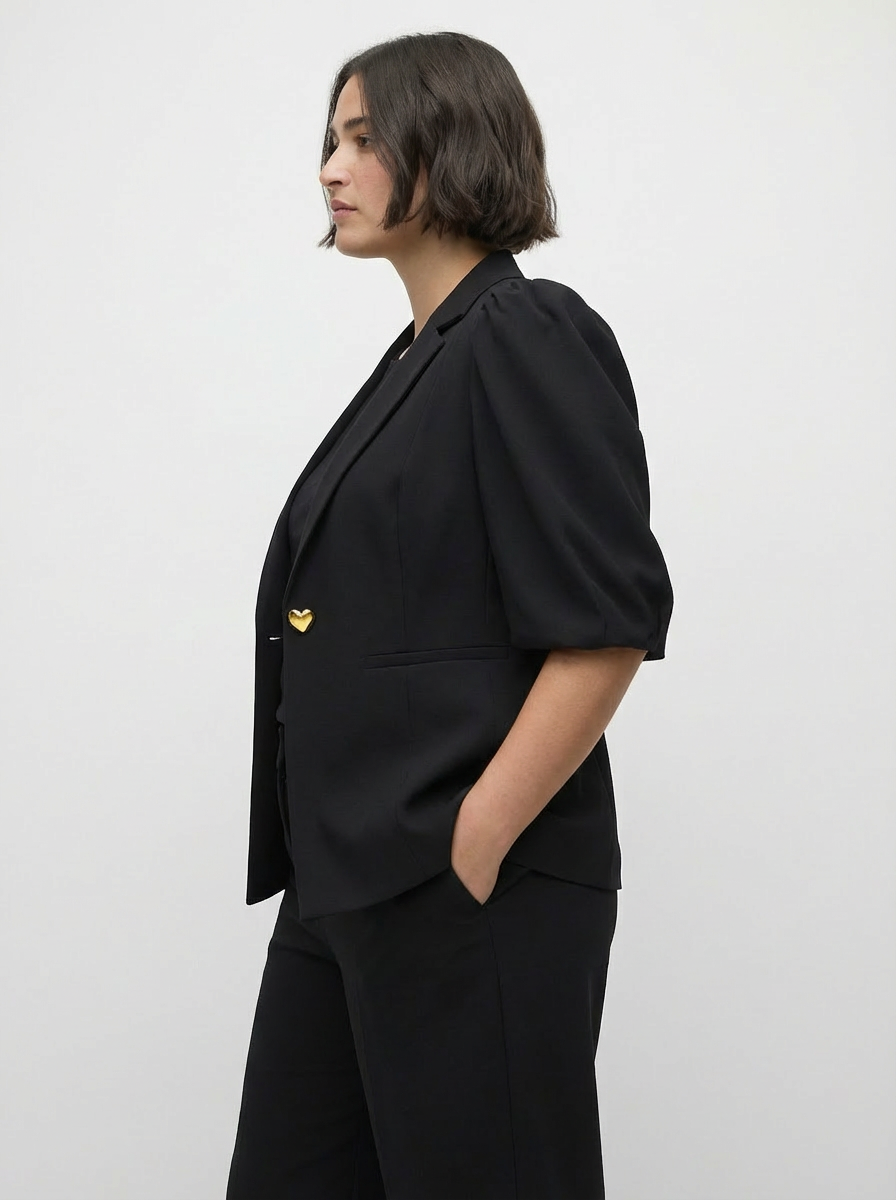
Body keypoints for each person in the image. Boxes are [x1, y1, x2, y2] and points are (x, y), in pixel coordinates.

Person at [226, 30, 673, 1200]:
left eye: (363, 139)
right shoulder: (415, 360)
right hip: (343, 881)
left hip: (462, 883)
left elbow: (603, 627)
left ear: (450, 143)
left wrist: (473, 842)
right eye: (329, 139)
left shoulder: (523, 333)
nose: (329, 168)